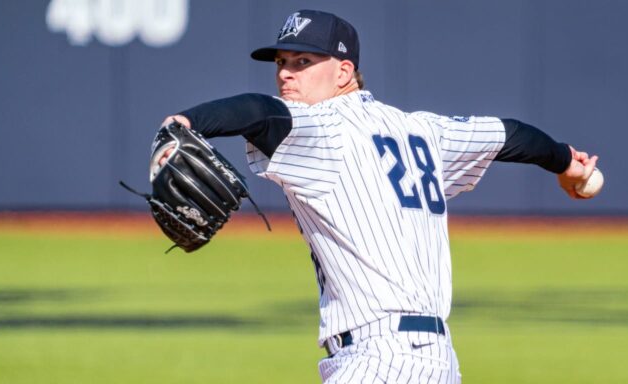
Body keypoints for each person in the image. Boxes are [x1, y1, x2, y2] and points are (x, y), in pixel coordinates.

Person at [159, 9, 598, 383]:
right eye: (282, 62)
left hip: (380, 360)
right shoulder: (425, 130)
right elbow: (510, 135)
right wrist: (565, 164)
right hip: (431, 362)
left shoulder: (325, 126)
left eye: (303, 61)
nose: (286, 73)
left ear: (344, 71)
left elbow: (260, 111)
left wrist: (186, 121)